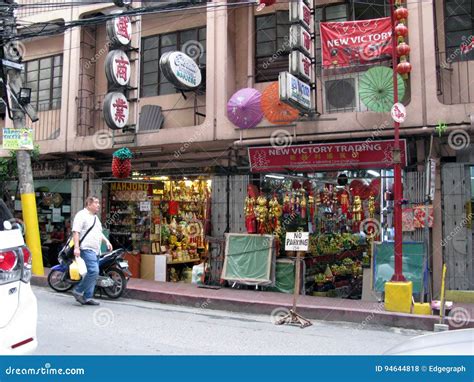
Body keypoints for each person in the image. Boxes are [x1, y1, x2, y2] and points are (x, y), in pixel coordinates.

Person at [71, 196, 112, 306]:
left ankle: (88, 297)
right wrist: (76, 247)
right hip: (86, 248)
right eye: (96, 203)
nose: (98, 205)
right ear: (89, 204)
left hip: (96, 250)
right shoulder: (81, 215)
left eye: (98, 203)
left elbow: (99, 232)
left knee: (92, 273)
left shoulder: (95, 218)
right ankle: (78, 290)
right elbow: (76, 232)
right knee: (94, 271)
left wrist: (106, 241)